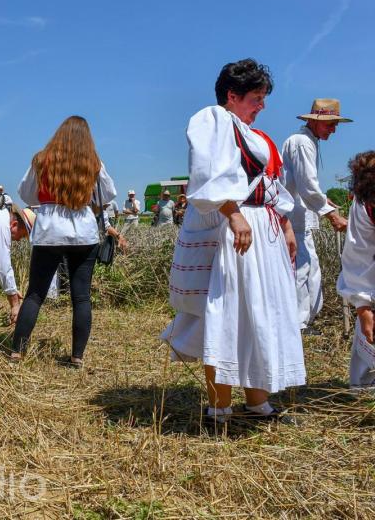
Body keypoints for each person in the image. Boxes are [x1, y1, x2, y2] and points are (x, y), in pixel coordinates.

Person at [161, 58, 304, 424]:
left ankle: (258, 402)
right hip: (233, 230)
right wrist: (234, 212)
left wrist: (285, 226)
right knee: (227, 314)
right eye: (256, 97)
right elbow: (207, 174)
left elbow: (272, 187)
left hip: (262, 232)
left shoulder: (256, 135)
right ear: (232, 95)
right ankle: (218, 408)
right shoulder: (215, 119)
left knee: (260, 313)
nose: (262, 105)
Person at [11, 115, 117, 368]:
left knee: (35, 294)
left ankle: (17, 352)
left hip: (49, 231)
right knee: (81, 298)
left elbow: (26, 193)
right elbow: (109, 194)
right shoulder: (93, 161)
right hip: (83, 230)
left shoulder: (41, 159)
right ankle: (76, 356)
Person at [282, 98, 352, 334]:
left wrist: (323, 199)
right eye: (329, 124)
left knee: (309, 268)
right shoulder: (302, 143)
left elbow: (305, 184)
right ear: (314, 121)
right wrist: (331, 214)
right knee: (301, 269)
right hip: (293, 217)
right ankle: (297, 324)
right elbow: (306, 185)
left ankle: (305, 320)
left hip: (301, 215)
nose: (333, 129)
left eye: (334, 125)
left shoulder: (307, 141)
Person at [336, 151, 375, 388]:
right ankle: (365, 389)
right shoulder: (363, 207)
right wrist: (363, 307)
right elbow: (357, 257)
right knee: (369, 325)